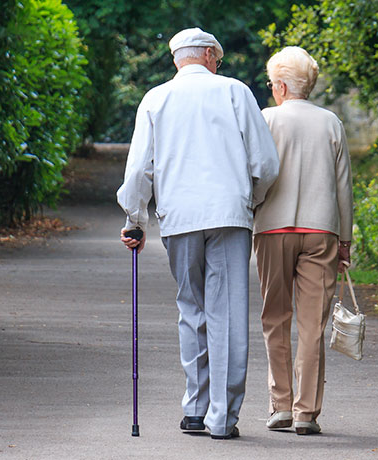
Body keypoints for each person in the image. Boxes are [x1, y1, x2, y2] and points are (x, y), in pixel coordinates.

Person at [116, 27, 279, 440]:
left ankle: (194, 408)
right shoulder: (235, 92)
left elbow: (139, 170)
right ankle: (221, 418)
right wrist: (252, 200)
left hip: (180, 217)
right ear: (209, 54)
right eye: (217, 59)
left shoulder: (155, 98)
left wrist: (135, 219)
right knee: (227, 314)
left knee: (192, 309)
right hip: (228, 215)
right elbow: (265, 164)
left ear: (177, 60)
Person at [253, 46, 353, 436]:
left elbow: (257, 174)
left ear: (280, 85)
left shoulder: (267, 119)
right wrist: (345, 240)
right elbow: (344, 188)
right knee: (313, 324)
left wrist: (254, 208)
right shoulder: (331, 123)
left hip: (273, 229)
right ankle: (305, 413)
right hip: (321, 230)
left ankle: (280, 405)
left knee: (275, 318)